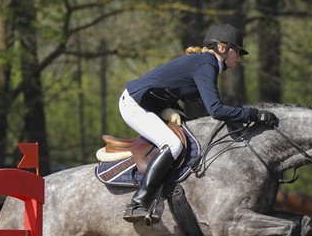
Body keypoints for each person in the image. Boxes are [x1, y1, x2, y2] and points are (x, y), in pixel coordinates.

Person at [119, 23, 280, 224]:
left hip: (153, 104)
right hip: (135, 105)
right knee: (173, 144)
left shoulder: (205, 63)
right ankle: (138, 203)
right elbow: (216, 110)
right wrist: (253, 114)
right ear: (222, 48)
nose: (239, 58)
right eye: (237, 52)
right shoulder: (207, 64)